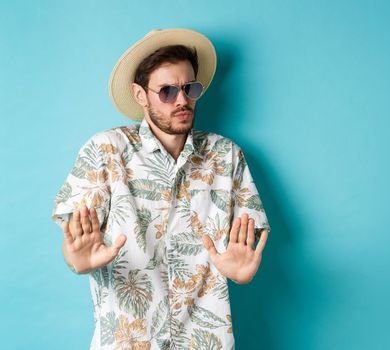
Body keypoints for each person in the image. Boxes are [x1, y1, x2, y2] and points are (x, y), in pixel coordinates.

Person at [50, 28, 271, 350]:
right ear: (140, 95)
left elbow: (245, 242)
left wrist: (240, 270)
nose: (182, 100)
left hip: (205, 340)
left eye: (189, 88)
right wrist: (76, 261)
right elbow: (77, 246)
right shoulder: (106, 150)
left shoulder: (226, 155)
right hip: (128, 339)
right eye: (167, 91)